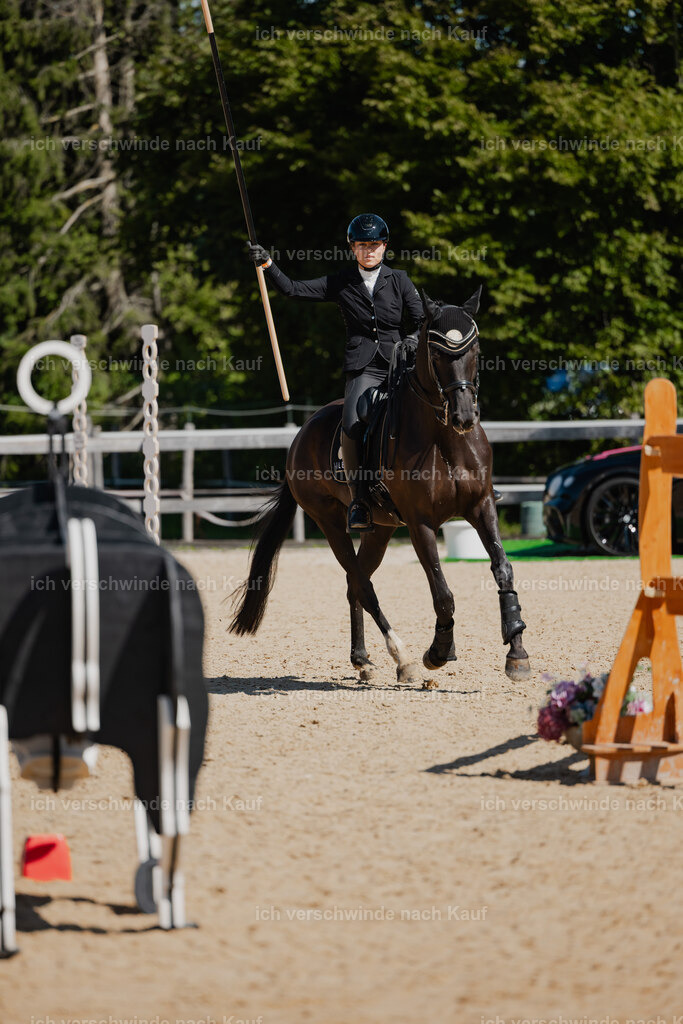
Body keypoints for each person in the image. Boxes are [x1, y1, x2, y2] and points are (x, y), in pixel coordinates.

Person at [247, 213, 424, 532]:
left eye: (374, 244)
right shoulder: (340, 281)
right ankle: (358, 500)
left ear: (384, 246)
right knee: (353, 423)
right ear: (352, 248)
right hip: (364, 367)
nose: (368, 250)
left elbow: (422, 320)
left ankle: (462, 483)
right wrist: (268, 265)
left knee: (437, 405)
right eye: (361, 245)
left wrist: (411, 339)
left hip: (399, 363)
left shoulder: (400, 280)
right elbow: (293, 290)